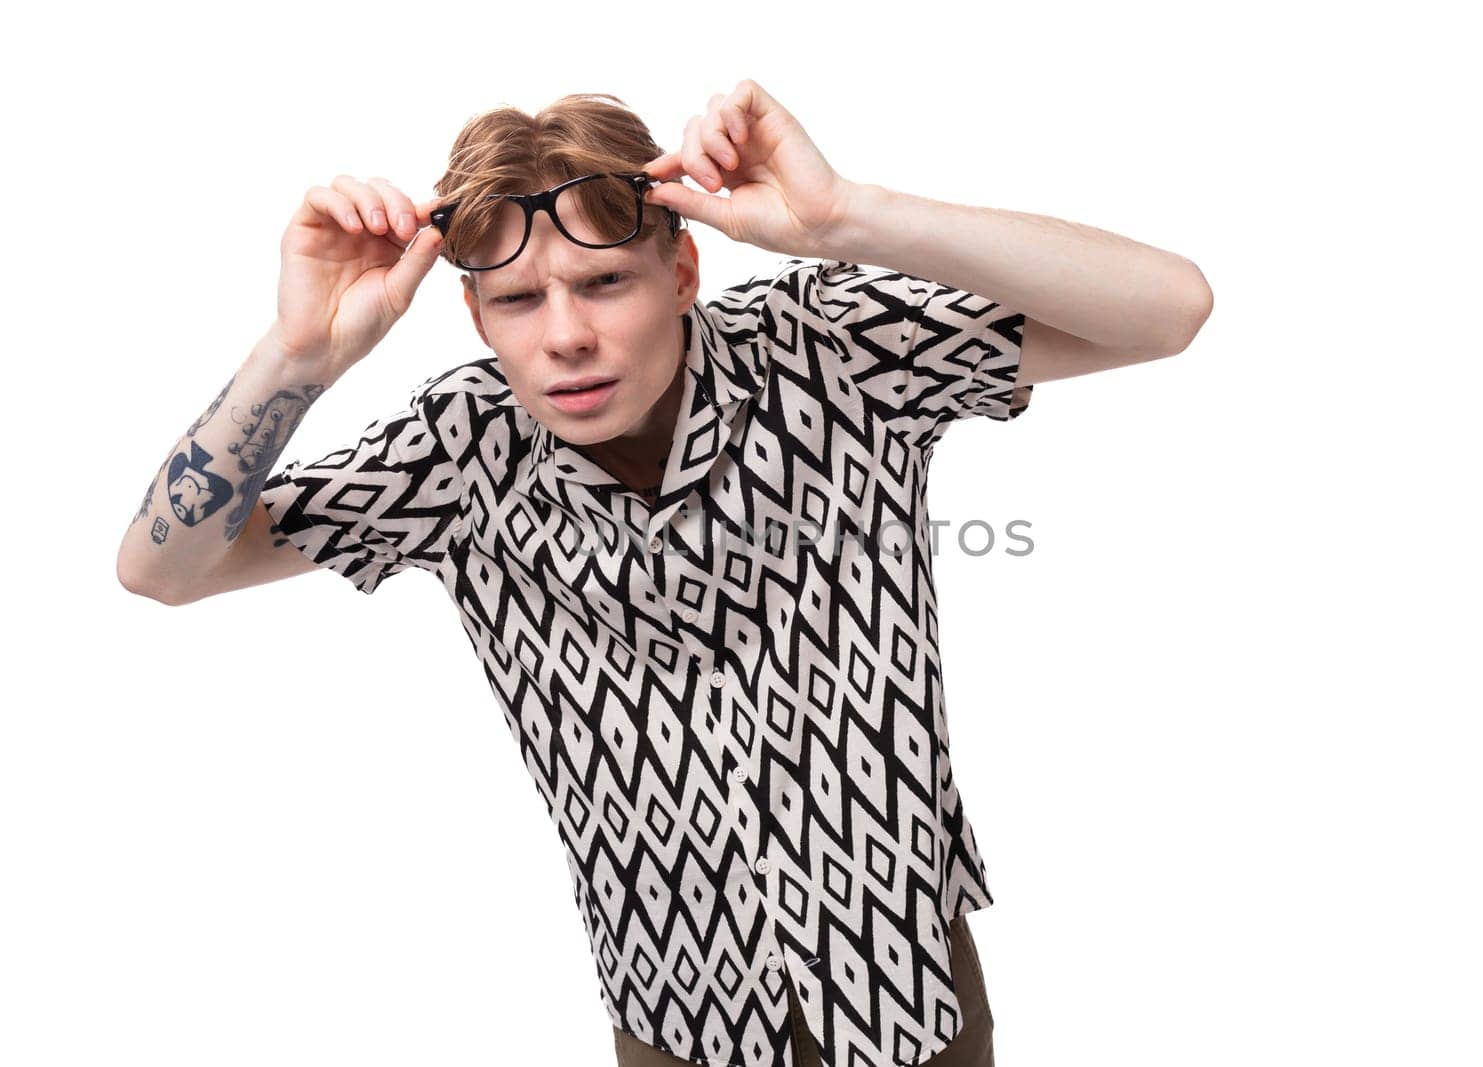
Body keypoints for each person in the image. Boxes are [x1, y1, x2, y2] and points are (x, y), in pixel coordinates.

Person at [116, 81, 1211, 1067]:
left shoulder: (834, 350)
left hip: (906, 985)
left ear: (681, 268)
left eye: (602, 281)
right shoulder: (456, 448)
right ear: (477, 315)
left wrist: (844, 219)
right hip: (679, 1013)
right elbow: (163, 569)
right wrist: (301, 357)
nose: (567, 337)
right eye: (520, 302)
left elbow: (1169, 310)